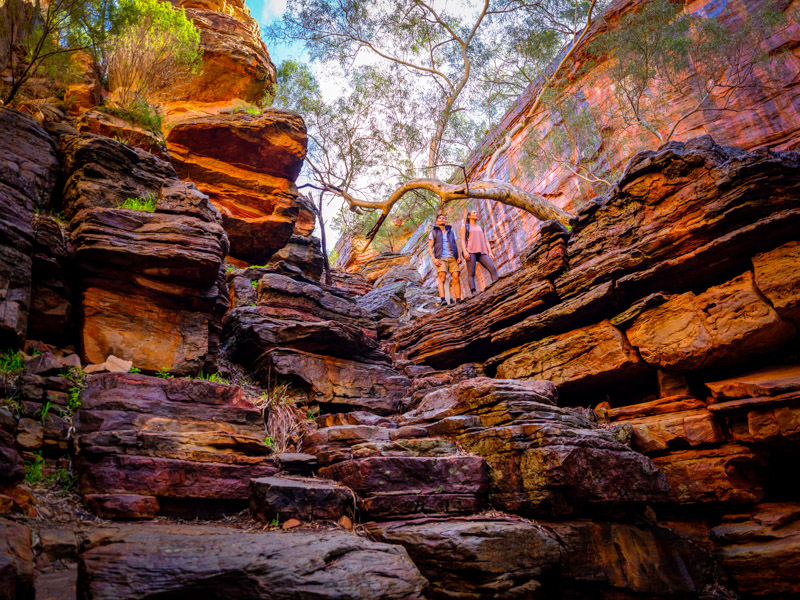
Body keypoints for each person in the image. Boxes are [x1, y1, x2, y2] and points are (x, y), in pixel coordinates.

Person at [427, 213, 463, 306]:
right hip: (441, 258)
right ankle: (443, 300)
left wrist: (459, 256)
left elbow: (456, 244)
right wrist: (434, 259)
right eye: (440, 218)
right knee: (442, 278)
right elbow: (430, 248)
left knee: (456, 278)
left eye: (444, 218)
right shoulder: (434, 233)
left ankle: (458, 300)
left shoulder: (451, 232)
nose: (442, 219)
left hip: (453, 258)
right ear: (437, 221)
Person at [460, 209, 499, 294]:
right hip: (470, 251)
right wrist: (465, 251)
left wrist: (490, 252)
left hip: (482, 252)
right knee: (471, 272)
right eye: (474, 213)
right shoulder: (465, 226)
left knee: (492, 268)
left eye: (476, 213)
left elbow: (486, 241)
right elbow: (462, 240)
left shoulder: (481, 228)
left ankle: (497, 287)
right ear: (469, 216)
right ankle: (474, 293)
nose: (476, 214)